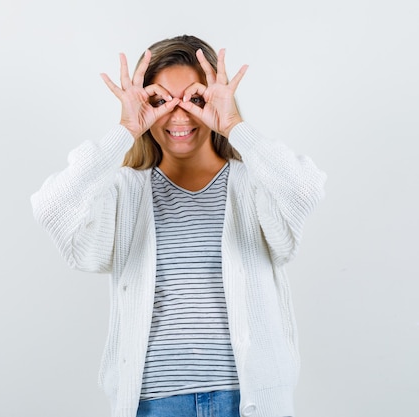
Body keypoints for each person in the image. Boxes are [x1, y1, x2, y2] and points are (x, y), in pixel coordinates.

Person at [31, 34, 326, 417]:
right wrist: (124, 130)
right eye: (159, 101)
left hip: (247, 400)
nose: (180, 115)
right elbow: (51, 206)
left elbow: (306, 188)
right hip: (154, 403)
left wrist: (234, 124)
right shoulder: (126, 191)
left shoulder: (253, 183)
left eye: (196, 99)